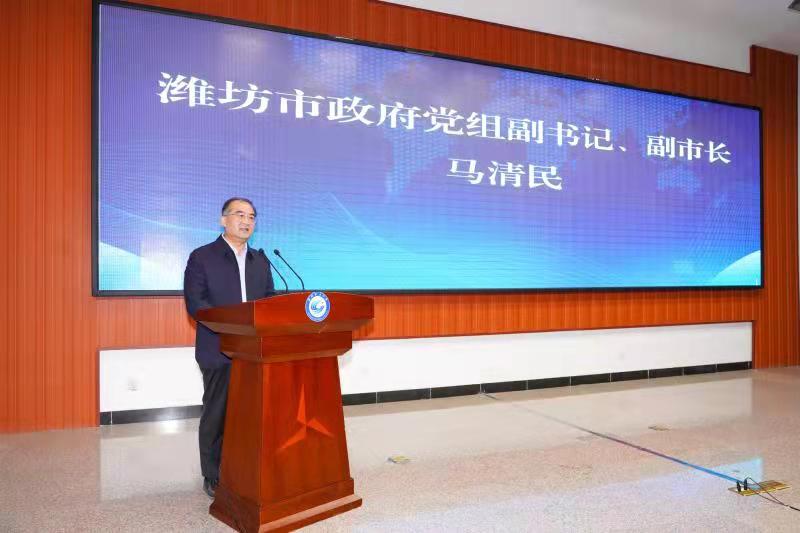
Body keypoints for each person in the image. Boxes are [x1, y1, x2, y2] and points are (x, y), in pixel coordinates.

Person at [183, 197, 275, 498]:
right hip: (217, 348)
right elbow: (197, 305)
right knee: (218, 413)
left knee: (251, 414)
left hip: (254, 352)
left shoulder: (261, 261)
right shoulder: (202, 257)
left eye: (252, 216)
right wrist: (233, 328)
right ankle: (212, 474)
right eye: (239, 214)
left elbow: (269, 302)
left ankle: (242, 469)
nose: (246, 221)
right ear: (223, 220)